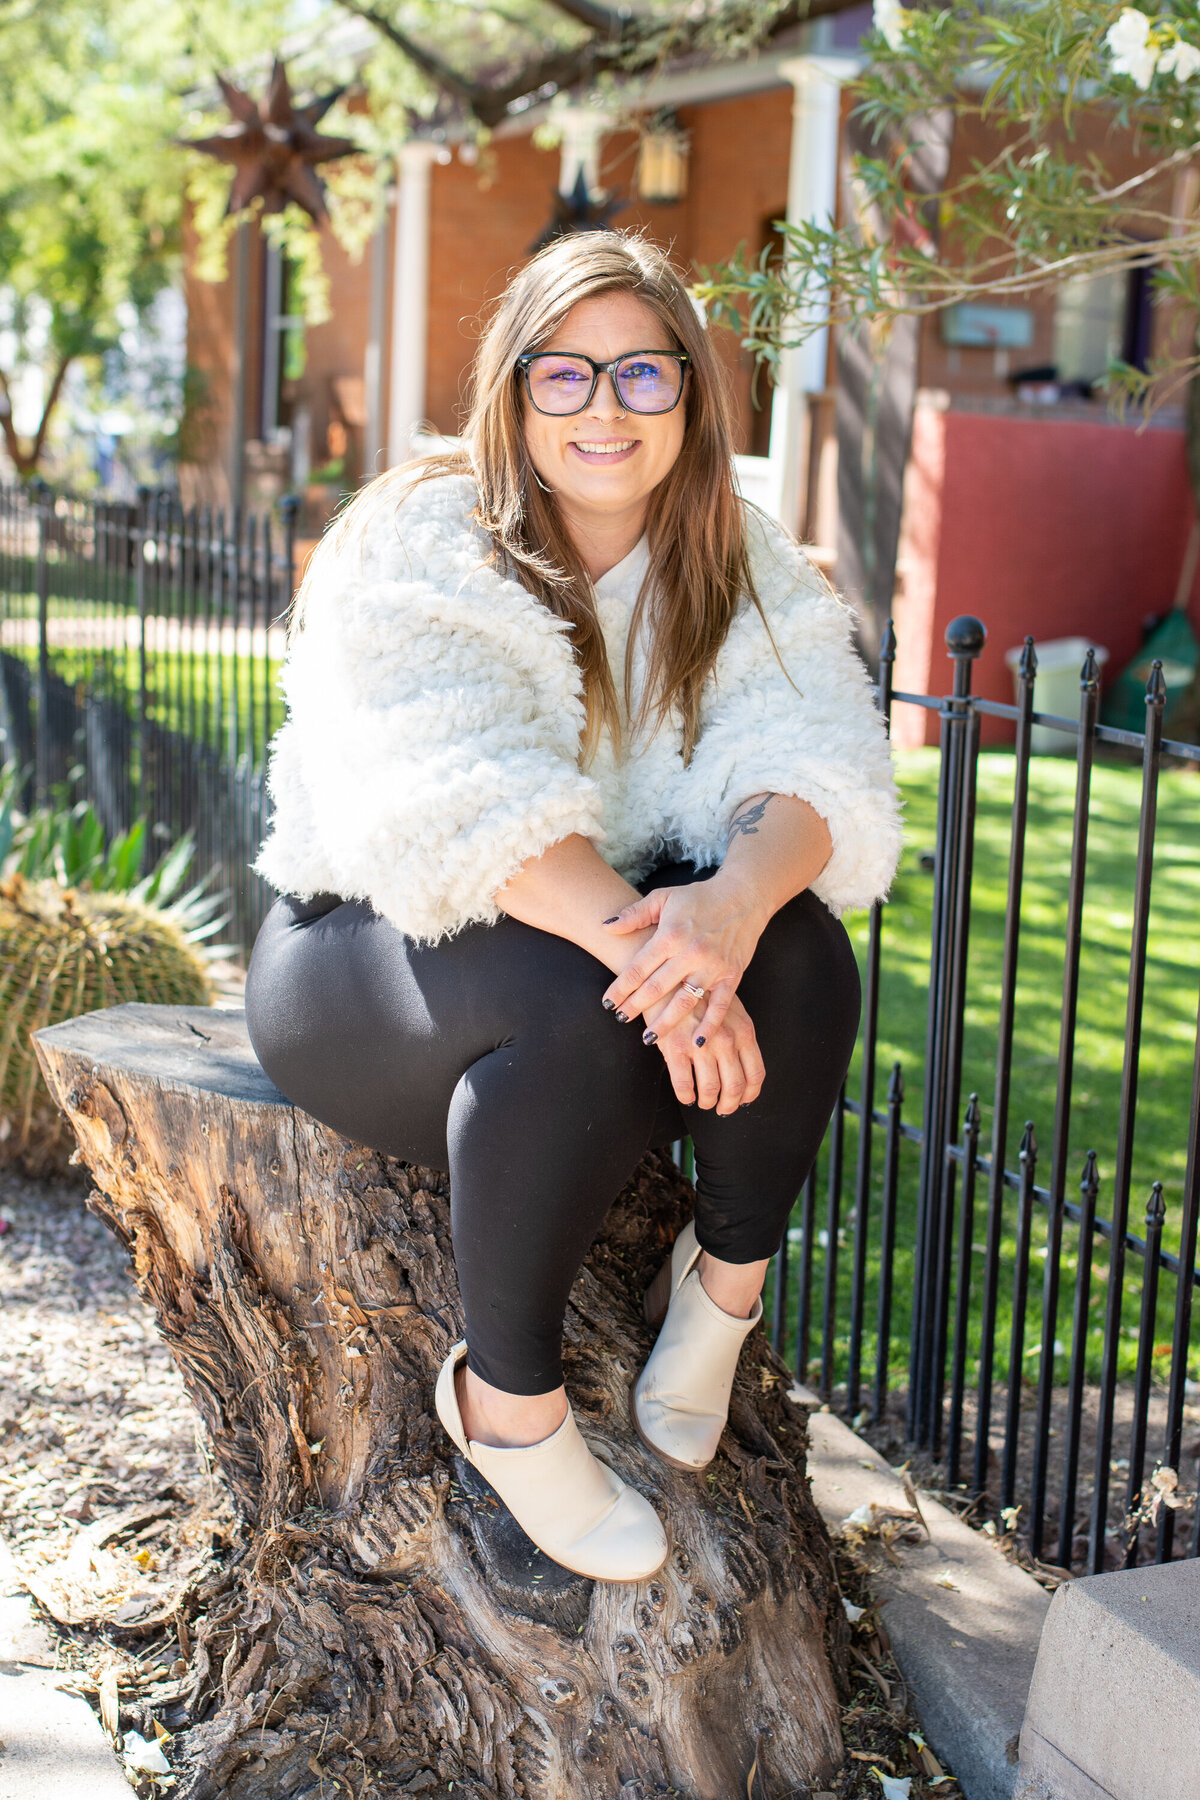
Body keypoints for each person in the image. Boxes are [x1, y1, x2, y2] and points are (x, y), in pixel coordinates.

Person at [245, 229, 901, 1585]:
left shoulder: (744, 558)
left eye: (644, 376)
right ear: (516, 389)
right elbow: (452, 797)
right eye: (567, 375)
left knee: (804, 955)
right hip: (373, 952)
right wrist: (667, 952)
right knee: (588, 1011)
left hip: (623, 935)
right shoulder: (422, 532)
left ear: (691, 399)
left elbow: (813, 758)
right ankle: (508, 1401)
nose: (605, 408)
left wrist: (726, 910)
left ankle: (720, 1293)